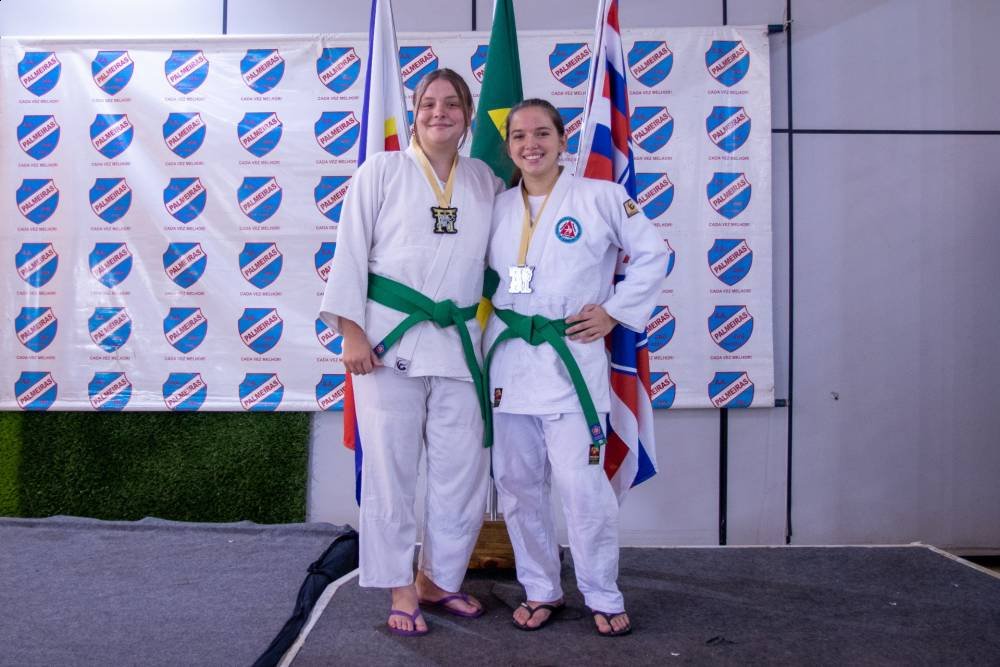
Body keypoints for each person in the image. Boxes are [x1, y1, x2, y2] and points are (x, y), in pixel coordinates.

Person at [319, 68, 502, 636]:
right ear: (414, 113)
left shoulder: (486, 181)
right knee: (390, 472)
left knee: (461, 473)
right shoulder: (381, 171)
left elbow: (504, 261)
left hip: (458, 346)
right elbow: (350, 250)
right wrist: (351, 332)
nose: (439, 112)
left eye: (451, 104)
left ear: (468, 117)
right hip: (385, 343)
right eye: (428, 103)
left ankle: (438, 579)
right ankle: (400, 586)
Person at [484, 99, 667, 637]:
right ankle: (541, 588)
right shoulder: (495, 207)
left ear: (564, 140)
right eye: (519, 136)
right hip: (510, 363)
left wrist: (615, 311)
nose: (531, 144)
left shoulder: (600, 197)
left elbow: (654, 253)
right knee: (517, 486)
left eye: (542, 133)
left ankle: (602, 593)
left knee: (583, 488)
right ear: (509, 146)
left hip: (570, 365)